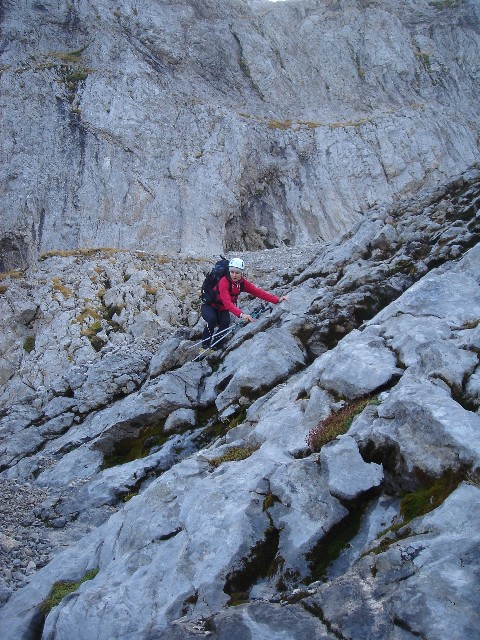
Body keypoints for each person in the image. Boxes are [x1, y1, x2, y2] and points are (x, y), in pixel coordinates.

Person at [200, 257, 289, 350]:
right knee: (212, 319)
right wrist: (242, 315)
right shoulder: (224, 281)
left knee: (225, 324)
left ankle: (215, 346)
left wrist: (277, 300)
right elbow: (227, 302)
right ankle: (204, 345)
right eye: (232, 272)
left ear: (241, 273)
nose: (234, 275)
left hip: (222, 309)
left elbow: (258, 292)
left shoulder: (242, 283)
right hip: (209, 306)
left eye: (237, 273)